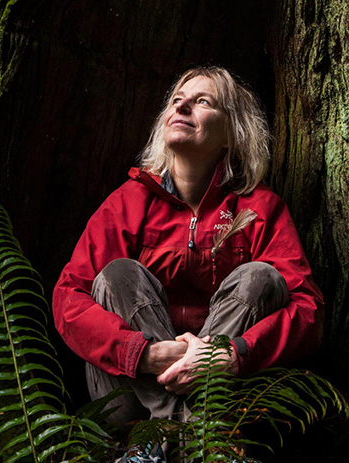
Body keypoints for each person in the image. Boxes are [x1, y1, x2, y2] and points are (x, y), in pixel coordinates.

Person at [52, 66, 324, 447]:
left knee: (260, 277)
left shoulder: (260, 208)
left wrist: (229, 355)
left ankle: (161, 445)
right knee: (117, 275)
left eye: (201, 102)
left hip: (224, 391)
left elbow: (307, 310)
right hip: (128, 396)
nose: (181, 108)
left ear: (233, 131)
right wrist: (143, 353)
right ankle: (199, 442)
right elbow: (69, 298)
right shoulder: (128, 203)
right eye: (177, 101)